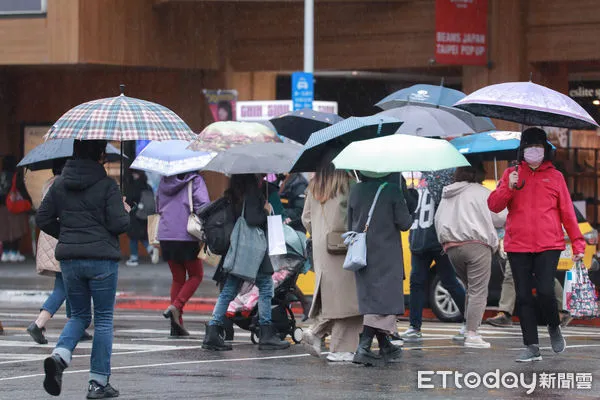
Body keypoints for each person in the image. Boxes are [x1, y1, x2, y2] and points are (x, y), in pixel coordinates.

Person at [36, 140, 130, 398]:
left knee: (78, 316)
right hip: (101, 260)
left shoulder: (59, 185)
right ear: (100, 155)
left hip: (69, 260)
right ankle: (97, 382)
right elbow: (119, 224)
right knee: (102, 320)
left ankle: (59, 356)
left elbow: (42, 218)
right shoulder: (108, 185)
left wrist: (66, 234)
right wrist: (124, 209)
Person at [488, 127, 585, 362]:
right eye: (530, 146)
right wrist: (507, 186)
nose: (535, 151)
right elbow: (494, 205)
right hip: (517, 244)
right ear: (522, 150)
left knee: (545, 291)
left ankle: (553, 326)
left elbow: (568, 213)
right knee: (522, 296)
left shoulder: (555, 176)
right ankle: (531, 345)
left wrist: (578, 243)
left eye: (539, 147)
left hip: (548, 244)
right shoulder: (511, 173)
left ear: (545, 150)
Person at [202, 174, 290, 351]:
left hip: (239, 250)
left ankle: (213, 330)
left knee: (229, 290)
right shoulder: (252, 193)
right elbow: (252, 219)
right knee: (265, 287)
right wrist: (265, 209)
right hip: (252, 251)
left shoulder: (233, 193)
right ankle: (266, 333)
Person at [435, 164, 507, 348]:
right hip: (477, 245)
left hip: (451, 248)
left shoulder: (448, 193)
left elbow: (437, 219)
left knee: (470, 288)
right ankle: (472, 334)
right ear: (479, 173)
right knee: (478, 291)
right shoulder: (482, 192)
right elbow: (501, 217)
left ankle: (465, 329)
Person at [348, 171, 413, 366]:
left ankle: (385, 345)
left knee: (372, 299)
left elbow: (349, 223)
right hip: (386, 254)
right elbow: (404, 223)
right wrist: (411, 201)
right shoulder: (392, 190)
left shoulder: (355, 190)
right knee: (385, 301)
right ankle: (364, 347)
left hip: (362, 253)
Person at [300, 157, 362, 363]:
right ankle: (335, 344)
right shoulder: (349, 184)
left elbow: (306, 218)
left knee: (335, 296)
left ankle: (327, 338)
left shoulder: (314, 185)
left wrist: (319, 232)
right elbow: (355, 216)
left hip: (321, 246)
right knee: (348, 300)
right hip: (344, 245)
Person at [27, 159, 92, 345]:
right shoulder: (62, 185)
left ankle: (76, 325)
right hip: (61, 238)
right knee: (63, 287)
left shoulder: (49, 183)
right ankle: (39, 323)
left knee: (70, 283)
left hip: (50, 239)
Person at [401, 169, 466, 342]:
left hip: (438, 240)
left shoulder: (443, 178)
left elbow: (446, 203)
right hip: (418, 238)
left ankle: (470, 321)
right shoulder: (417, 180)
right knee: (416, 282)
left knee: (449, 281)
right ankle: (414, 327)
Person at [157, 172, 209, 337]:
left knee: (178, 278)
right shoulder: (195, 180)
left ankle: (177, 324)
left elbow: (157, 205)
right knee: (196, 275)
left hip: (166, 233)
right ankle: (176, 306)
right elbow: (203, 206)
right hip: (186, 234)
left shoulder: (164, 180)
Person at [485, 264, 572, 328]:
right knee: (510, 275)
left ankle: (562, 311)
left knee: (543, 277)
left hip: (537, 244)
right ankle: (505, 314)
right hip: (515, 244)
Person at [125, 171, 159, 267]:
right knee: (142, 234)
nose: (132, 175)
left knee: (133, 235)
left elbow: (130, 199)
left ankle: (134, 258)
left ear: (137, 174)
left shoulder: (135, 185)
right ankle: (150, 249)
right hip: (146, 215)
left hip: (136, 214)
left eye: (134, 173)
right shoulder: (147, 185)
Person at [0, 155, 31, 263]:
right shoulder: (15, 176)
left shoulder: (1, 176)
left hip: (2, 208)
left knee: (4, 230)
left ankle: (5, 253)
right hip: (14, 207)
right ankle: (14, 252)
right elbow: (22, 191)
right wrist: (29, 203)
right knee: (16, 230)